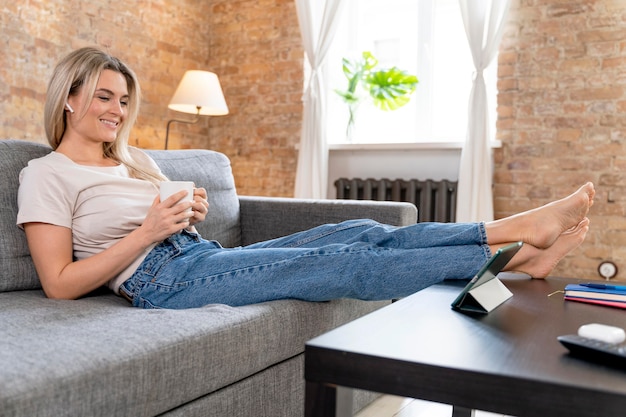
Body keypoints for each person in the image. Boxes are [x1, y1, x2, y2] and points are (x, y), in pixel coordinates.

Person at [16, 47, 595, 309]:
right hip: (157, 282)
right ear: (68, 99)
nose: (117, 110)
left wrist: (185, 210)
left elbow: (175, 223)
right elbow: (60, 283)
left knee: (364, 227)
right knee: (341, 263)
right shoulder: (47, 174)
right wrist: (146, 232)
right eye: (103, 96)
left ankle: (514, 232)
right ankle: (518, 256)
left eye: (123, 99)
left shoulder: (135, 160)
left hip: (195, 253)